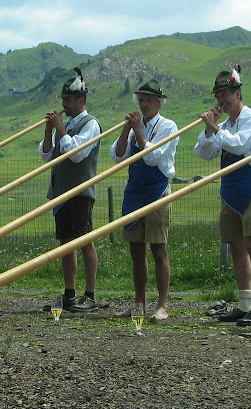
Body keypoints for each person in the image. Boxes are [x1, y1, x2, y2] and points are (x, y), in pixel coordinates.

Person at [195, 65, 251, 327]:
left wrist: (215, 129)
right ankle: (244, 304)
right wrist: (209, 130)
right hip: (230, 190)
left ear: (238, 93)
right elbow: (203, 153)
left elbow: (239, 145)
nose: (221, 100)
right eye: (218, 95)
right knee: (237, 248)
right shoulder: (224, 124)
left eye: (225, 93)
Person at [110, 79, 179, 321]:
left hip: (157, 191)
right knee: (136, 250)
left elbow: (153, 157)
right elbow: (118, 157)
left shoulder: (168, 126)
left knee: (158, 248)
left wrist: (138, 131)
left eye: (149, 100)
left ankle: (162, 305)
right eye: (141, 100)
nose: (144, 104)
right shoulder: (133, 127)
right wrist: (126, 130)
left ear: (159, 103)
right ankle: (139, 304)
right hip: (134, 191)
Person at [40, 68, 103, 312]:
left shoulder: (91, 124)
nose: (64, 104)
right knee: (65, 243)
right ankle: (69, 294)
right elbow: (47, 155)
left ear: (81, 100)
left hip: (80, 192)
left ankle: (90, 294)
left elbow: (77, 155)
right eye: (63, 100)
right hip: (61, 191)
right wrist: (49, 131)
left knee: (85, 241)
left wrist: (61, 130)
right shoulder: (63, 125)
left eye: (68, 99)